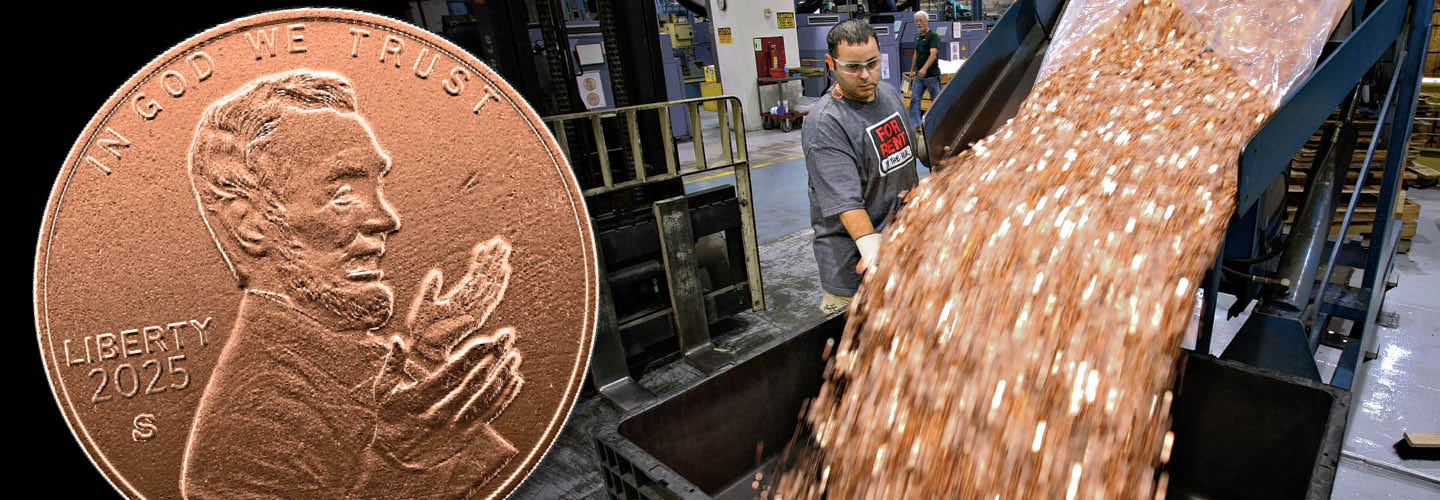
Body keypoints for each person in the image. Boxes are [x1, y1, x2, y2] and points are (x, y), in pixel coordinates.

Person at [181, 70, 523, 499]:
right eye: (342, 193)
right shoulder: (242, 438)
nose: (386, 218)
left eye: (376, 185)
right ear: (250, 222)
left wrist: (426, 352)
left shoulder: (343, 349)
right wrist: (400, 465)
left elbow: (386, 417)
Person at [803, 20, 920, 315]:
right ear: (831, 64)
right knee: (853, 350)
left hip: (899, 249)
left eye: (872, 63)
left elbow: (909, 149)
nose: (866, 75)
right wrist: (872, 252)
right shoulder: (825, 123)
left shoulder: (889, 94)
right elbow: (847, 203)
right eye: (853, 68)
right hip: (854, 266)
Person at [904, 11, 942, 130]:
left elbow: (933, 54)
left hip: (932, 76)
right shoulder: (918, 37)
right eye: (917, 21)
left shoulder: (933, 36)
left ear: (926, 21)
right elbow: (916, 53)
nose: (918, 23)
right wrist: (912, 70)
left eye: (921, 20)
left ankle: (938, 123)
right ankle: (916, 125)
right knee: (915, 99)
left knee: (936, 101)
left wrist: (924, 69)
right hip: (919, 77)